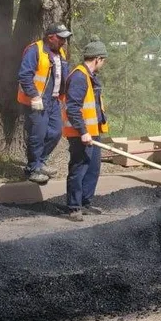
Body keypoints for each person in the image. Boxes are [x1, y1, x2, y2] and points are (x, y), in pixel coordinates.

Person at [17, 23, 71, 184]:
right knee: (37, 135)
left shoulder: (60, 52)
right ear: (50, 37)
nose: (63, 42)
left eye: (65, 39)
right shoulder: (34, 50)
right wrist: (34, 96)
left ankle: (40, 161)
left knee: (55, 132)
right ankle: (33, 168)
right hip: (37, 102)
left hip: (53, 101)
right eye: (60, 38)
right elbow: (24, 75)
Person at [62, 40, 109, 221]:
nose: (103, 64)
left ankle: (85, 202)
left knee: (93, 168)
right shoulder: (79, 77)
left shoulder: (90, 76)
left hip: (92, 132)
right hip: (80, 134)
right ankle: (74, 207)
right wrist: (83, 132)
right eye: (103, 60)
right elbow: (72, 108)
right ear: (97, 59)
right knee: (79, 168)